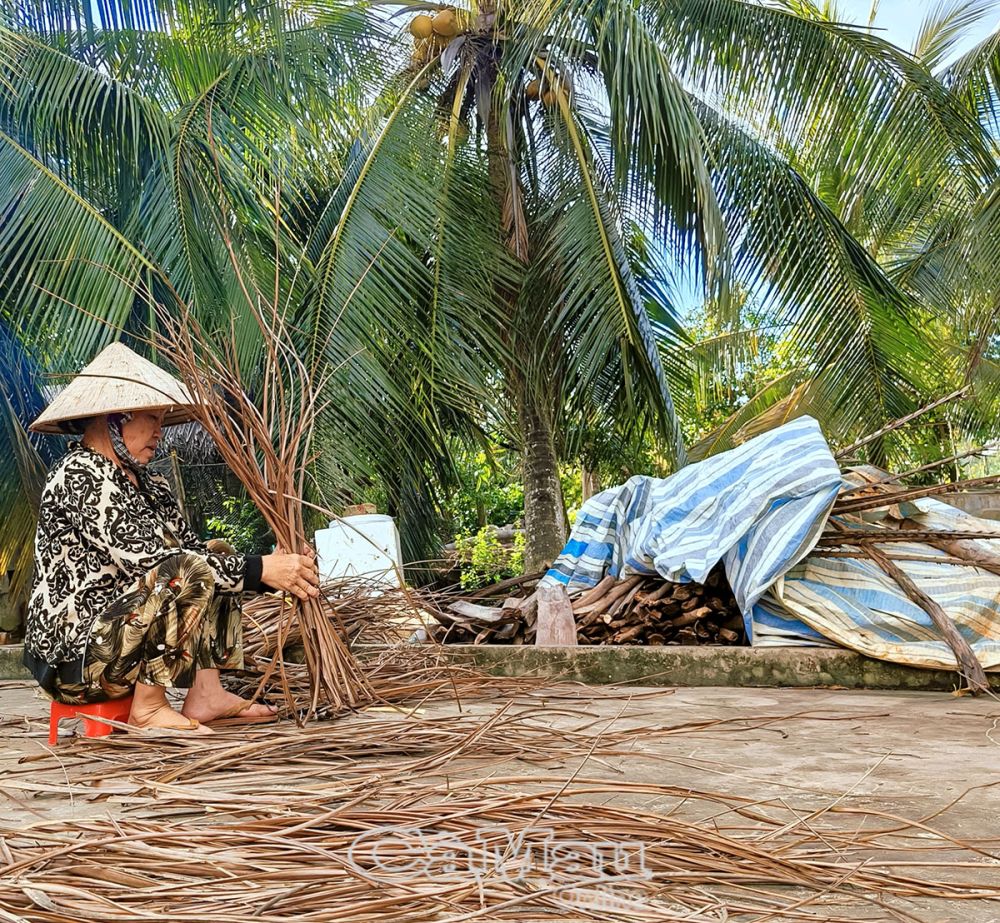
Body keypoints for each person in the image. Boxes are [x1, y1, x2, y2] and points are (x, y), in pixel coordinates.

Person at [22, 342, 320, 734]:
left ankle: (207, 692)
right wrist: (262, 570)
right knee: (184, 569)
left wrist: (270, 566)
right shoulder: (80, 476)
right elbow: (155, 564)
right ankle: (148, 708)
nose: (160, 432)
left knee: (215, 552)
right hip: (76, 661)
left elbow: (198, 555)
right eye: (152, 419)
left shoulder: (150, 483)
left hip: (118, 643)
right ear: (118, 418)